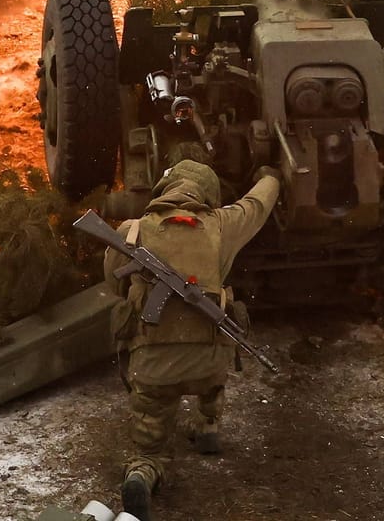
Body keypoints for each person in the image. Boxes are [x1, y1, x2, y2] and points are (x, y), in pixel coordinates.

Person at [104, 160, 280, 521]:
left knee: (150, 429)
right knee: (221, 337)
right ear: (207, 193)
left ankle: (144, 469)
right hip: (210, 365)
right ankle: (208, 424)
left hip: (153, 368)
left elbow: (113, 282)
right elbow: (258, 203)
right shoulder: (223, 225)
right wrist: (272, 176)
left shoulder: (131, 231)